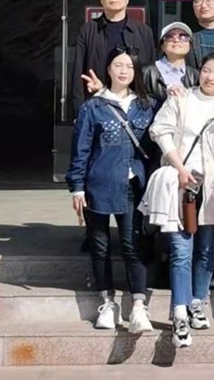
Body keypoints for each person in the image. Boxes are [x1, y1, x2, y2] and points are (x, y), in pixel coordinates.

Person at [149, 53, 214, 348]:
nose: (210, 77)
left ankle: (198, 302)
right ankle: (179, 312)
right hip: (180, 185)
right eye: (206, 70)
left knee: (206, 250)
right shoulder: (181, 98)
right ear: (198, 72)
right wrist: (179, 167)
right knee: (181, 251)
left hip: (210, 188)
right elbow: (159, 131)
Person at [66, 45, 157, 334]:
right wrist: (77, 187)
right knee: (100, 245)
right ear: (108, 69)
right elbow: (80, 150)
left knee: (132, 245)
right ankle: (107, 303)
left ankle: (139, 306)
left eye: (129, 66)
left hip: (132, 185)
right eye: (118, 65)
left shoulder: (147, 105)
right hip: (98, 184)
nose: (123, 70)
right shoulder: (92, 107)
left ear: (136, 71)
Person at [72, 0, 157, 112]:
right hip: (97, 108)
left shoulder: (143, 32)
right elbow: (78, 74)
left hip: (135, 109)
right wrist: (79, 112)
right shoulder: (88, 30)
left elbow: (150, 74)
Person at [155, 22, 199, 91]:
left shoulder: (195, 75)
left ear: (190, 46)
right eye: (170, 36)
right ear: (162, 46)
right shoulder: (147, 73)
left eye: (183, 36)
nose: (176, 40)